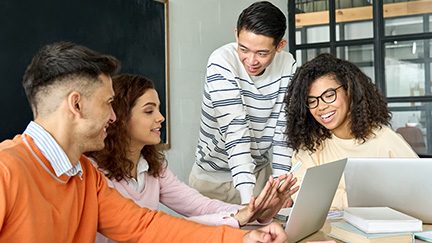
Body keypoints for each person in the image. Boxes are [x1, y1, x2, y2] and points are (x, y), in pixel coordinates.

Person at [0, 41, 290, 243]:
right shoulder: (6, 170)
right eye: (108, 104)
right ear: (76, 105)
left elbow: (145, 226)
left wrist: (242, 237)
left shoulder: (86, 177)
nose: (114, 117)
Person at [90, 74, 299, 243]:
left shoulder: (153, 166)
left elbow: (200, 206)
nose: (160, 117)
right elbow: (160, 228)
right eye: (149, 111)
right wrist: (237, 218)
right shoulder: (96, 173)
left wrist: (254, 212)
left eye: (159, 109)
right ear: (119, 117)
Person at [189, 1, 297, 205]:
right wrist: (249, 204)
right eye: (244, 49)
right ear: (236, 34)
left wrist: (282, 189)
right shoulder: (221, 62)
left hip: (260, 175)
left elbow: (283, 134)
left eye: (262, 53)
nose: (251, 60)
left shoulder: (288, 65)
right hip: (213, 180)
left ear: (280, 46)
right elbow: (235, 133)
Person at [284, 53, 418, 210]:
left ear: (350, 91)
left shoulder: (384, 139)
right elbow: (301, 194)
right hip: (328, 233)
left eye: (329, 95)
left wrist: (332, 197)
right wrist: (369, 199)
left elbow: (418, 190)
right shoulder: (312, 144)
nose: (321, 107)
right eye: (312, 101)